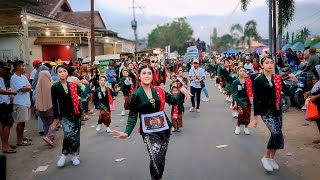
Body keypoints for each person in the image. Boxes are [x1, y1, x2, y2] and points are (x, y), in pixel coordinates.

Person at [112, 65, 190, 180]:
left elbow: (174, 101)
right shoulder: (136, 94)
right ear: (139, 76)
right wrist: (126, 132)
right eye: (144, 73)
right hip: (148, 131)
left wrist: (182, 91)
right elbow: (133, 115)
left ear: (152, 76)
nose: (147, 75)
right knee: (155, 156)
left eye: (149, 73)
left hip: (163, 129)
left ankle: (155, 177)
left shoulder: (158, 90)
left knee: (160, 159)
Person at [249, 56, 289, 172]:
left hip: (277, 109)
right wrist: (255, 118)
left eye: (272, 63)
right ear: (262, 65)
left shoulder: (277, 78)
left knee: (278, 134)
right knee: (275, 132)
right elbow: (256, 100)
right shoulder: (258, 80)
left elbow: (286, 92)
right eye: (267, 63)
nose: (270, 65)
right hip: (266, 111)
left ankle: (271, 159)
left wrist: (290, 80)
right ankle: (266, 157)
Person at [51, 65, 82, 167]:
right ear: (57, 74)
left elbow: (82, 93)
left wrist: (81, 95)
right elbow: (54, 104)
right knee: (68, 135)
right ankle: (64, 155)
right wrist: (56, 118)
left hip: (76, 113)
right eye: (60, 72)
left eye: (64, 71)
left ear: (67, 73)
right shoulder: (55, 87)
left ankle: (74, 156)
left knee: (75, 136)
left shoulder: (73, 84)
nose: (63, 73)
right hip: (64, 115)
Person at [10, 61, 32, 146]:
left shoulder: (23, 77)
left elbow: (29, 86)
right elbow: (23, 89)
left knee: (23, 121)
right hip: (20, 102)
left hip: (26, 101)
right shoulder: (14, 77)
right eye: (22, 66)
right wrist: (26, 87)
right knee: (20, 121)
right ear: (18, 67)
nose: (24, 67)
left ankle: (22, 137)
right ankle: (19, 140)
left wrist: (26, 87)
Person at [0, 61, 18, 153]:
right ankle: (5, 146)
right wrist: (10, 92)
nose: (5, 71)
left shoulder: (1, 78)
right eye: (4, 69)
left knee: (3, 124)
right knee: (8, 123)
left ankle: (5, 143)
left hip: (4, 102)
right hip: (2, 104)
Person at [35, 71, 57, 146]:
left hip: (39, 110)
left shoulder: (38, 85)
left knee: (45, 124)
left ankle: (48, 137)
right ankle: (49, 137)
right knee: (54, 123)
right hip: (50, 108)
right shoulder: (51, 85)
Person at [232, 66, 253, 135]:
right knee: (240, 114)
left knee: (248, 114)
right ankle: (238, 127)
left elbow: (252, 90)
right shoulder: (236, 82)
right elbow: (235, 93)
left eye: (244, 71)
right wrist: (235, 103)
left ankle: (246, 128)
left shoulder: (248, 80)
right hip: (240, 100)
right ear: (238, 72)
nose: (242, 72)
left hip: (248, 100)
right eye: (241, 71)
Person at [308, 65, 320, 149]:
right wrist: (309, 93)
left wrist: (315, 97)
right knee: (319, 122)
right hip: (317, 104)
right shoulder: (319, 82)